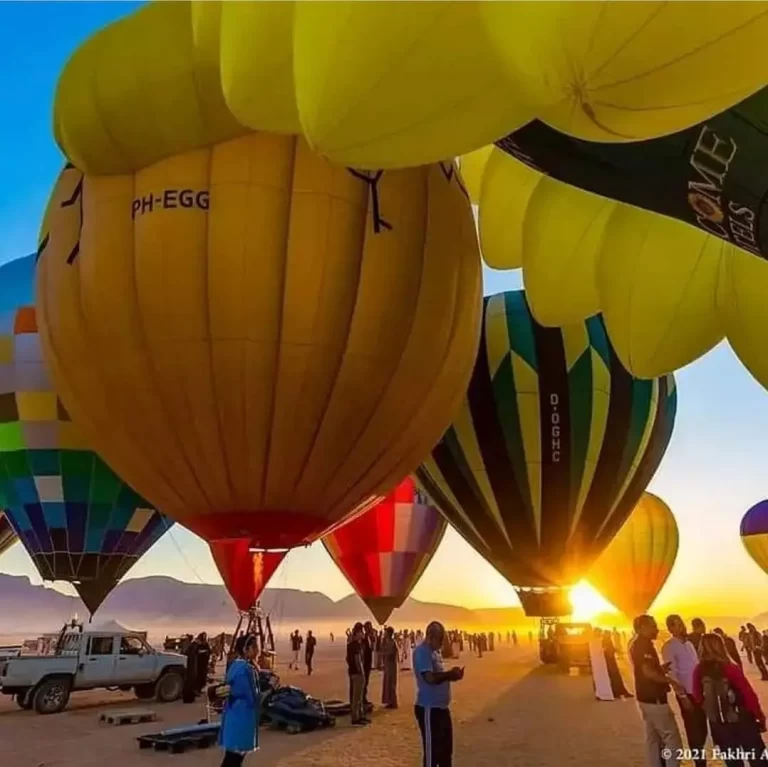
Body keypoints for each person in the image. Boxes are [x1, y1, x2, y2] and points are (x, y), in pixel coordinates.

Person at [693, 633, 767, 767]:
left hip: (718, 722)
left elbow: (697, 696)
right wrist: (759, 715)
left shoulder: (699, 670)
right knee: (757, 758)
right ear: (721, 647)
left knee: (732, 760)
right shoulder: (731, 668)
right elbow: (748, 695)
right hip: (742, 718)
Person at [631, 615, 685, 767]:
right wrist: (671, 681)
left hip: (644, 699)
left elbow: (645, 670)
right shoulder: (643, 646)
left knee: (653, 740)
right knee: (672, 739)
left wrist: (660, 669)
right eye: (653, 626)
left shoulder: (637, 644)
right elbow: (647, 672)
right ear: (642, 628)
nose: (656, 629)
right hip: (655, 699)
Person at [413, 621, 464, 767]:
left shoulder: (435, 652)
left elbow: (439, 676)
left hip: (441, 708)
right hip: (429, 708)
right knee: (432, 754)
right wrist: (449, 675)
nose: (441, 643)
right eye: (439, 639)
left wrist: (453, 675)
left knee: (445, 751)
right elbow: (429, 678)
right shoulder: (422, 652)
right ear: (430, 636)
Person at [662, 615, 708, 767]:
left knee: (702, 727)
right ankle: (699, 762)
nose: (681, 627)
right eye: (677, 625)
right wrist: (682, 696)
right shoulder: (669, 646)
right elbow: (671, 673)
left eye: (682, 624)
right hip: (686, 693)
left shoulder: (688, 644)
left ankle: (702, 757)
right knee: (693, 728)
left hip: (699, 691)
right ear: (670, 628)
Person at [218, 633, 261, 767]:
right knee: (234, 758)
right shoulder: (245, 669)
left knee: (233, 757)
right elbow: (250, 695)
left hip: (234, 713)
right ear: (245, 649)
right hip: (241, 715)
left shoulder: (236, 665)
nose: (257, 650)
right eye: (254, 647)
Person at [347, 623, 369, 726]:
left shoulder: (357, 644)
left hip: (354, 672)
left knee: (359, 696)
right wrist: (361, 671)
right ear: (358, 633)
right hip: (357, 673)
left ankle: (360, 715)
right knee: (357, 696)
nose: (363, 633)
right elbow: (357, 660)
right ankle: (355, 717)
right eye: (362, 632)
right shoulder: (355, 645)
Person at [602, 629, 632, 699]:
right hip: (609, 662)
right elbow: (607, 650)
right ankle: (618, 692)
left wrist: (615, 650)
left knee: (616, 677)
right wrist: (614, 650)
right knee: (614, 677)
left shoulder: (606, 640)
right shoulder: (605, 640)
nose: (609, 635)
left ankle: (620, 692)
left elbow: (609, 649)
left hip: (611, 661)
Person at [382, 626, 399, 709]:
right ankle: (389, 701)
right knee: (387, 683)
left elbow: (393, 654)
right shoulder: (386, 642)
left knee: (391, 683)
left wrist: (386, 655)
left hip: (391, 666)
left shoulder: (392, 642)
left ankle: (393, 702)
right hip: (388, 666)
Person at [182, 634, 199, 704]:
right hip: (191, 666)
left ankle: (187, 698)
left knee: (188, 682)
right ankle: (189, 698)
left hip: (188, 665)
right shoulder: (192, 646)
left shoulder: (186, 645)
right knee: (190, 683)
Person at [363, 622, 375, 705]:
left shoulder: (369, 638)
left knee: (366, 682)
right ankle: (362, 699)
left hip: (368, 664)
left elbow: (371, 649)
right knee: (364, 682)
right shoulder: (364, 639)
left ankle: (364, 698)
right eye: (370, 628)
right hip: (364, 664)